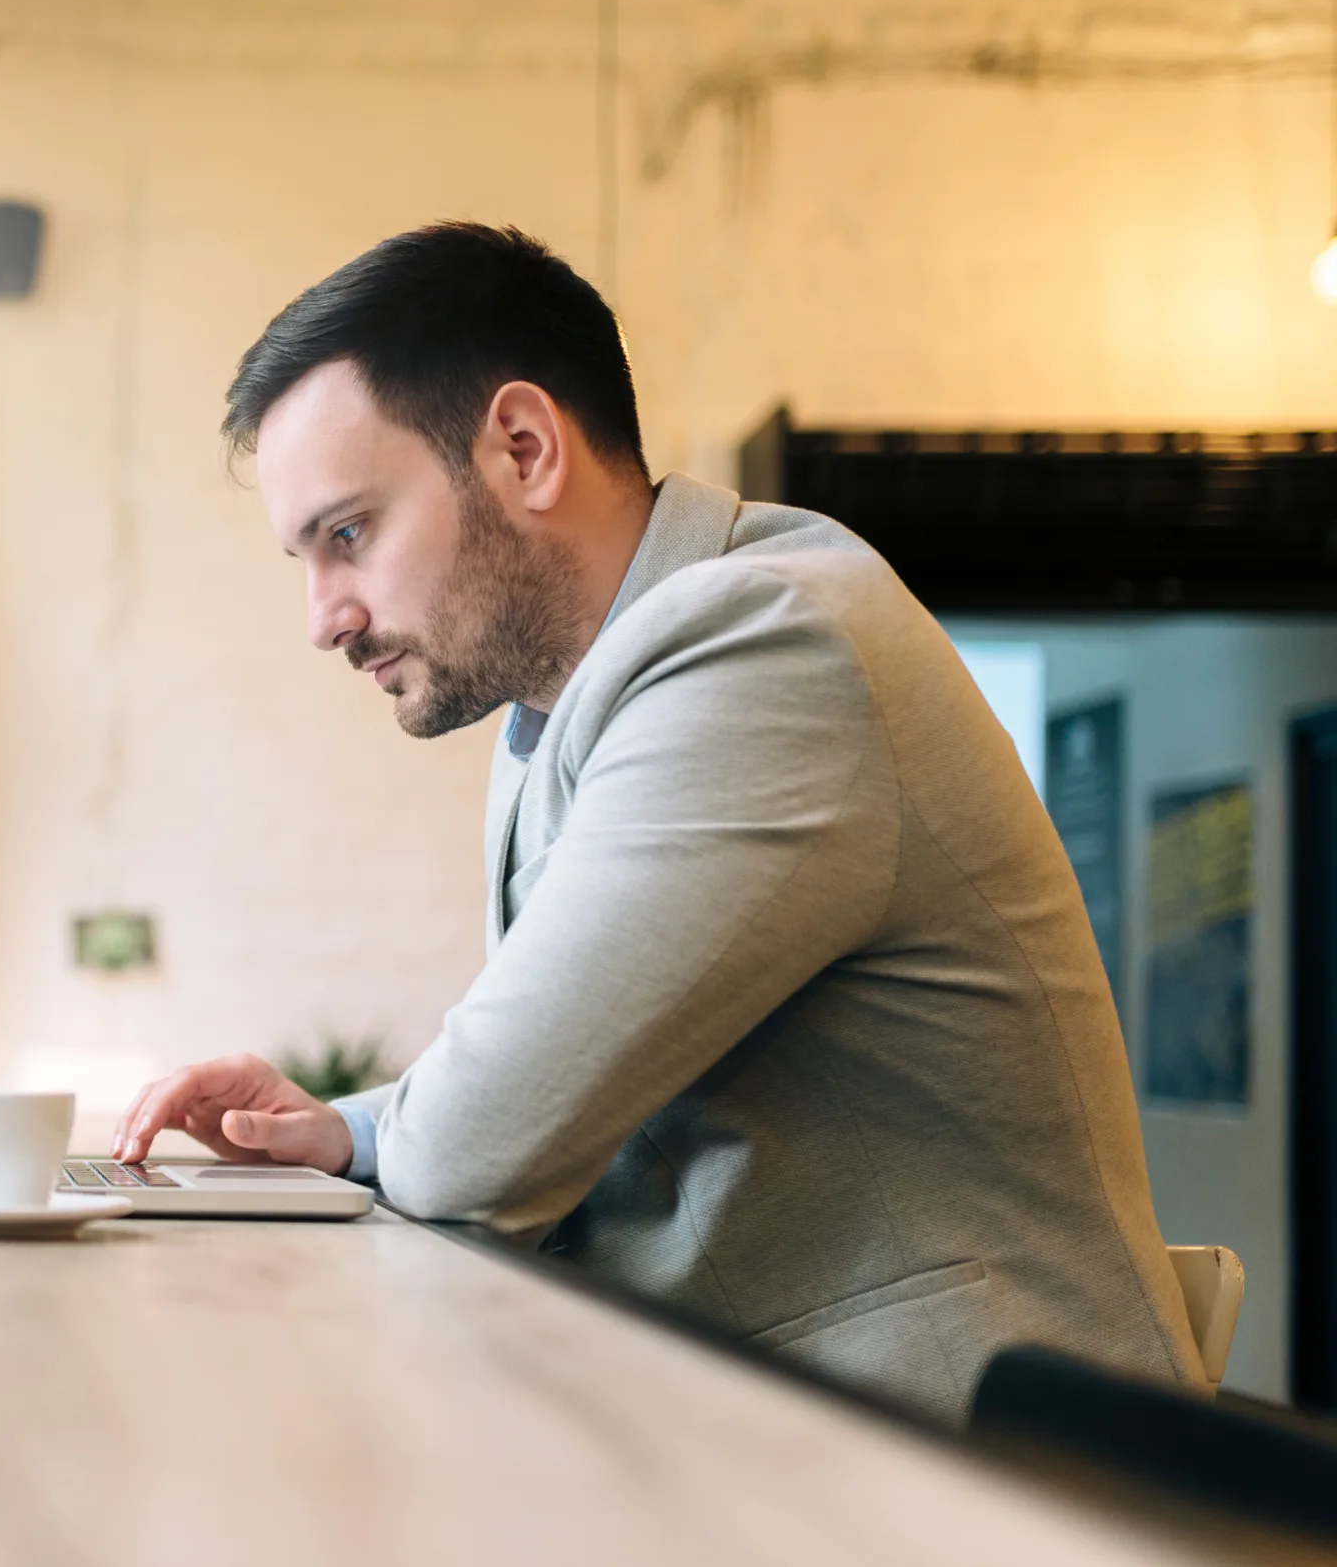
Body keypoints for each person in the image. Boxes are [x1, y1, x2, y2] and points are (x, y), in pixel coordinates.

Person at [111, 223, 1200, 1423]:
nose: (323, 616)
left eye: (349, 533)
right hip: (804, 1446)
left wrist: (396, 1132)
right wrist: (338, 1131)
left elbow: (484, 1142)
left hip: (995, 1478)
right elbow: (547, 1070)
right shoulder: (573, 700)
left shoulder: (768, 645)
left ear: (522, 449)